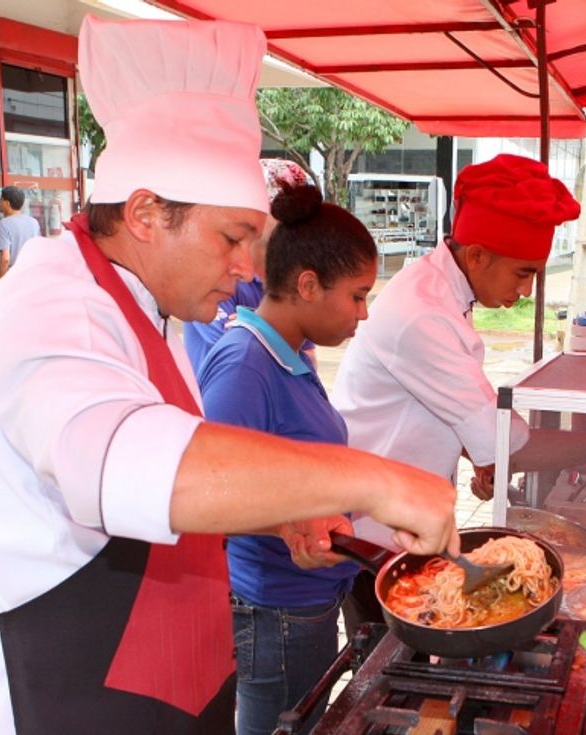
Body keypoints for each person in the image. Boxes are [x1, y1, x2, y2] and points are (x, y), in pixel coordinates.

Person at [0, 17, 458, 735]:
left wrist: (281, 511)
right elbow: (136, 463)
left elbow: (187, 470)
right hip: (57, 697)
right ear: (149, 212)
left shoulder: (150, 306)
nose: (248, 267)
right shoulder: (51, 309)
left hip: (161, 687)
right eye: (233, 237)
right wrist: (371, 477)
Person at [333, 154, 586, 515]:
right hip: (372, 525)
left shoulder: (441, 287)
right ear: (478, 256)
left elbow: (457, 411)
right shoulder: (423, 314)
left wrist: (481, 454)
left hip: (405, 502)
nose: (528, 291)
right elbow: (510, 447)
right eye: (523, 273)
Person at [196, 183, 373, 735]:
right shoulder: (245, 365)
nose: (364, 314)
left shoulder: (288, 353)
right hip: (274, 611)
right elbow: (208, 494)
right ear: (307, 285)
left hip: (307, 602)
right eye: (358, 295)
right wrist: (289, 525)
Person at [182, 158, 312, 373]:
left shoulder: (292, 273)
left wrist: (258, 326)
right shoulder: (213, 267)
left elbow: (307, 359)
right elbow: (241, 349)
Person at [0, 185, 41, 279]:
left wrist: (0, 282)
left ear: (7, 203)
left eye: (1, 200)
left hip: (14, 277)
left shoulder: (3, 224)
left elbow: (5, 259)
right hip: (32, 275)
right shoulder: (34, 222)